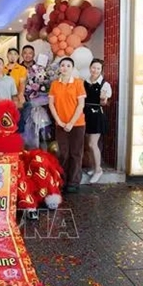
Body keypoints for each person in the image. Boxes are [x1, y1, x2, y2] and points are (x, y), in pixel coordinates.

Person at [49, 57, 87, 194]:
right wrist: (59, 121)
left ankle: (74, 181)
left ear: (72, 68)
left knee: (76, 153)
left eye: (68, 65)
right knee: (63, 153)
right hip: (61, 124)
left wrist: (71, 123)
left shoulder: (78, 83)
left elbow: (81, 105)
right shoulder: (55, 84)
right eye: (62, 65)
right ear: (59, 68)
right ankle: (63, 180)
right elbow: (51, 105)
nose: (65, 68)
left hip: (77, 124)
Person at [83, 59, 112, 184]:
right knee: (88, 144)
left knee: (92, 144)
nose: (95, 70)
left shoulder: (105, 85)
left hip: (96, 115)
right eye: (93, 68)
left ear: (101, 70)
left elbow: (104, 103)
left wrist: (103, 99)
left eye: (98, 69)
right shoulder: (85, 82)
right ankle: (93, 167)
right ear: (90, 68)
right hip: (85, 114)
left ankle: (98, 170)